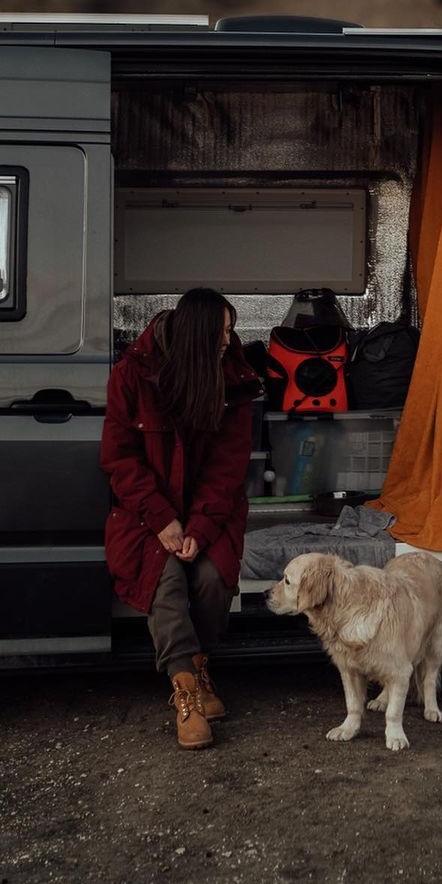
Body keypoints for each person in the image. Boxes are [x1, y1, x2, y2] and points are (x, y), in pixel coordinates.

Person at [101, 288, 262, 750]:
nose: (230, 342)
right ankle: (186, 692)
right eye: (223, 333)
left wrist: (198, 528)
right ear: (196, 336)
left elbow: (227, 470)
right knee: (165, 578)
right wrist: (164, 521)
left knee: (213, 579)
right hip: (142, 513)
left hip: (211, 513)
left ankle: (199, 663)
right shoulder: (133, 374)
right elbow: (119, 459)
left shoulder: (234, 381)